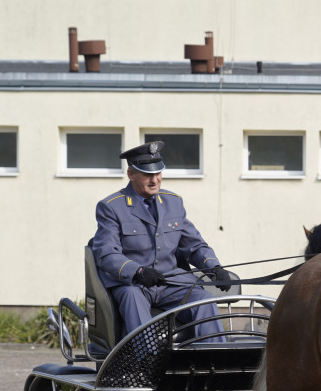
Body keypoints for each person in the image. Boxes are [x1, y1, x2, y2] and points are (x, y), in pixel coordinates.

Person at [93, 141, 232, 341]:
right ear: (131, 174)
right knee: (132, 299)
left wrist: (213, 266)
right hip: (135, 285)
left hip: (172, 282)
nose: (155, 180)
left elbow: (194, 245)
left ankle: (214, 363)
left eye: (158, 173)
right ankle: (145, 365)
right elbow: (106, 253)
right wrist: (137, 271)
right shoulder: (111, 207)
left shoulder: (173, 202)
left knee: (204, 300)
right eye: (147, 174)